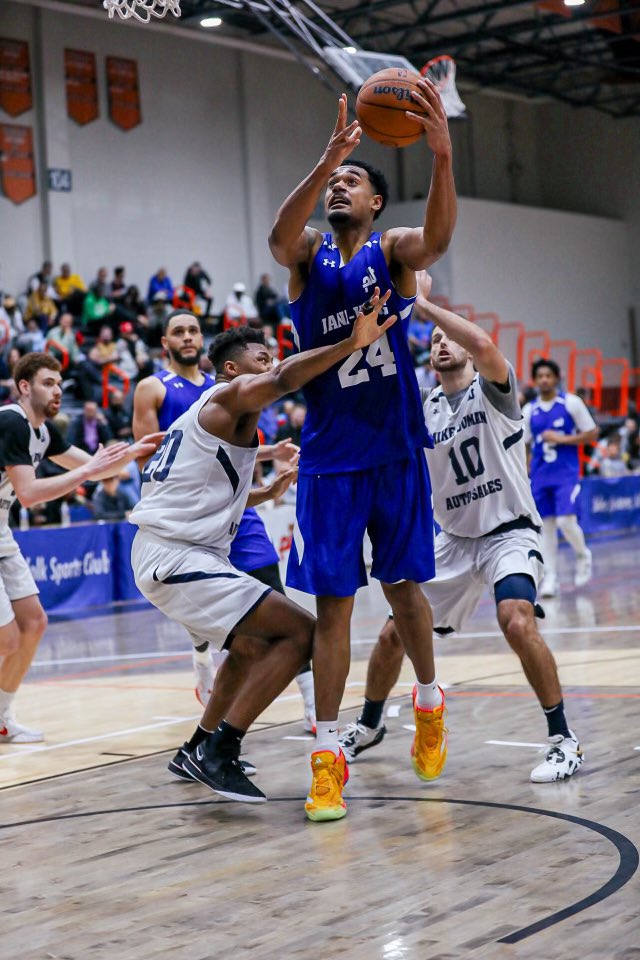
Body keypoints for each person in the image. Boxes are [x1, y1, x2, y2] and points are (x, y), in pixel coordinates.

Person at [268, 84, 456, 821]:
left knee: (406, 592)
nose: (341, 189)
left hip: (396, 449)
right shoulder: (308, 256)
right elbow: (279, 237)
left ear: (377, 203)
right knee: (335, 608)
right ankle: (325, 755)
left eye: (353, 181)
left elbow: (436, 241)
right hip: (328, 459)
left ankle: (431, 702)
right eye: (335, 185)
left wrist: (440, 156)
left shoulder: (395, 250)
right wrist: (326, 160)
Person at [129, 303, 394, 804]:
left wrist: (265, 494)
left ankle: (197, 747)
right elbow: (288, 378)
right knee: (302, 632)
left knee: (249, 646)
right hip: (175, 557)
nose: (271, 363)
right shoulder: (229, 395)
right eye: (262, 357)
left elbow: (196, 490)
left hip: (177, 553)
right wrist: (349, 345)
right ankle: (222, 752)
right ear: (232, 369)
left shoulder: (214, 417)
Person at [340, 291, 585, 784]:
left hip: (508, 531)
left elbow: (486, 342)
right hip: (452, 539)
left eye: (450, 337)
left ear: (469, 351)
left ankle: (564, 740)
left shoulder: (495, 390)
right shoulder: (423, 407)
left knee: (515, 620)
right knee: (392, 636)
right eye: (432, 341)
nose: (441, 344)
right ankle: (370, 725)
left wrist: (423, 304)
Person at [132, 311, 315, 725]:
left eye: (193, 329)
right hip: (183, 521)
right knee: (287, 627)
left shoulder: (216, 386)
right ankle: (206, 673)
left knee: (269, 596)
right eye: (178, 330)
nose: (188, 336)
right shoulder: (157, 388)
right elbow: (150, 455)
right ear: (165, 342)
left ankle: (295, 706)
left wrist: (266, 480)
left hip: (227, 501)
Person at [0, 352, 160, 742]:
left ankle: (3, 717)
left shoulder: (44, 431)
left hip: (1, 531)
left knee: (34, 623)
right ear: (25, 387)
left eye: (59, 384)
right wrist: (88, 471)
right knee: (6, 638)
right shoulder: (11, 421)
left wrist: (134, 452)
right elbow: (31, 493)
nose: (57, 390)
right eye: (47, 383)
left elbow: (97, 467)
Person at [523, 359, 599, 598]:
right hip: (540, 475)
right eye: (540, 376)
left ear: (557, 378)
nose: (544, 380)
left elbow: (592, 432)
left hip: (566, 473)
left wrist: (562, 439)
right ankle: (551, 579)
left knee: (566, 521)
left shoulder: (571, 403)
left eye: (548, 375)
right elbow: (524, 445)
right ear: (535, 381)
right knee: (546, 529)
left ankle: (582, 554)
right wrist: (526, 473)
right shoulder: (529, 410)